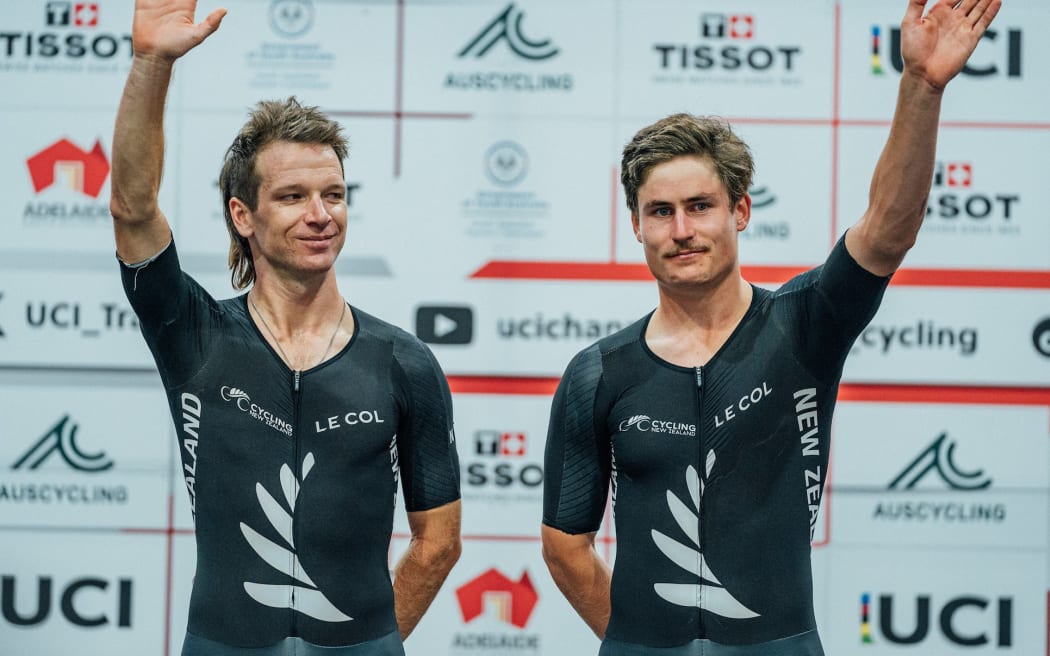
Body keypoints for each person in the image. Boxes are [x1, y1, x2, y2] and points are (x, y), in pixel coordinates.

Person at [540, 0, 1001, 654]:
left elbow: (888, 229)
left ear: (741, 210)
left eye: (700, 206)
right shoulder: (599, 372)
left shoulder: (805, 324)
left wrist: (920, 87)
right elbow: (565, 545)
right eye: (660, 211)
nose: (681, 230)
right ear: (636, 226)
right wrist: (640, 641)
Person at [109, 2, 462, 654]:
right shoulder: (195, 335)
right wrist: (152, 62)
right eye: (293, 196)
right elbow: (133, 210)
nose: (321, 214)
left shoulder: (403, 362)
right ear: (243, 214)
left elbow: (438, 542)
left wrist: (371, 643)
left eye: (335, 193)